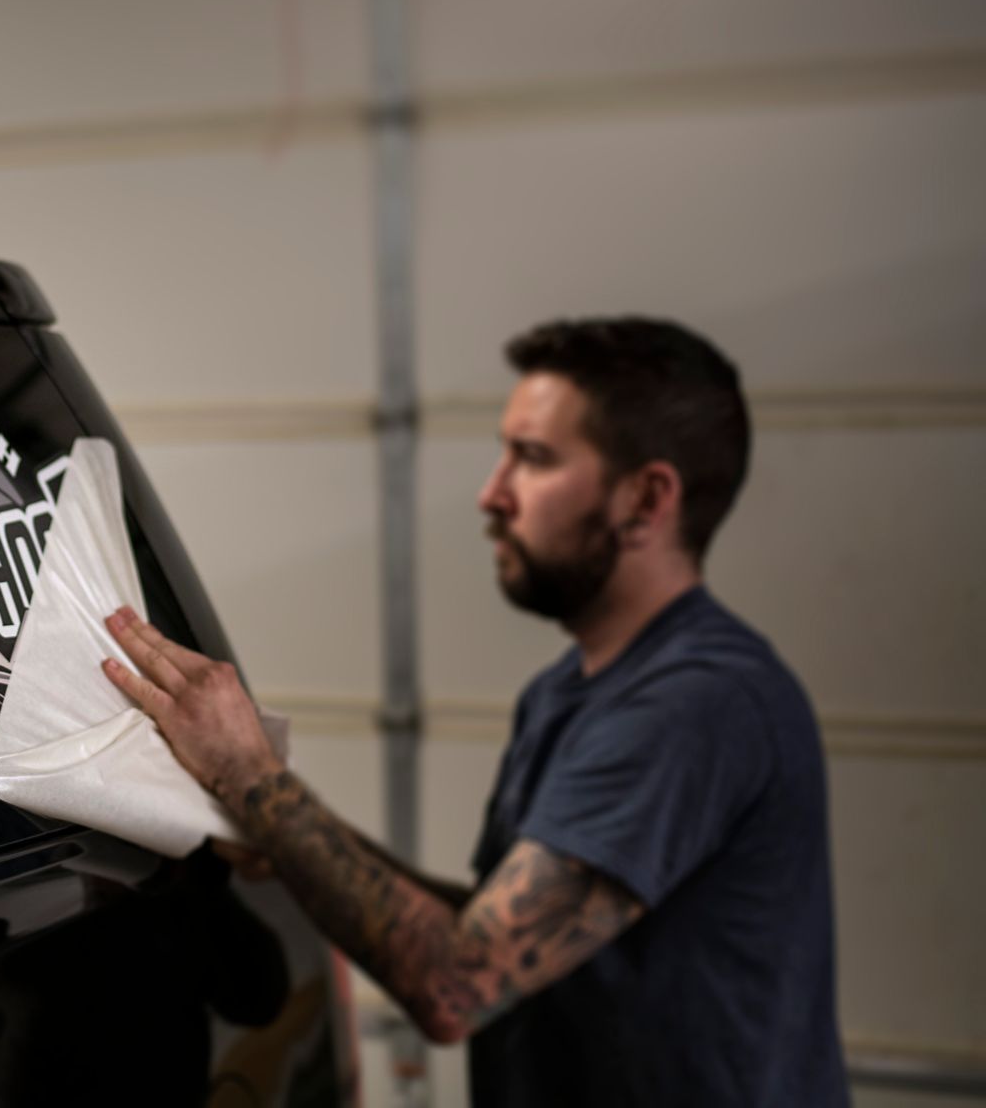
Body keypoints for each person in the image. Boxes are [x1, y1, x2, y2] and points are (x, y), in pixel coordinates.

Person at [99, 318, 847, 1106]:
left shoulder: (695, 704)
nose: (493, 494)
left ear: (647, 497)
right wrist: (279, 829)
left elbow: (457, 980)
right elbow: (500, 928)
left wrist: (250, 777)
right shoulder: (571, 690)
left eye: (534, 457)